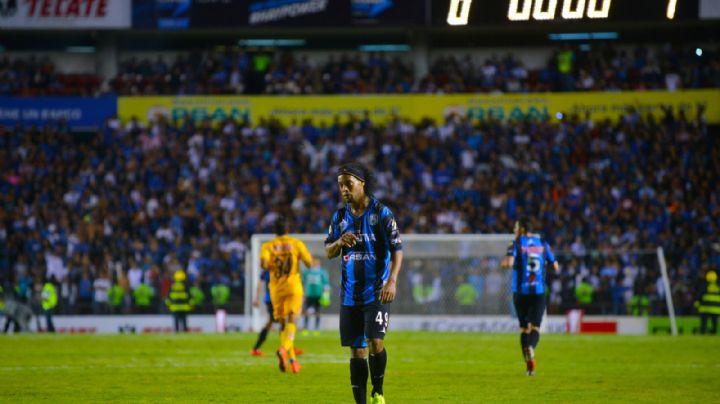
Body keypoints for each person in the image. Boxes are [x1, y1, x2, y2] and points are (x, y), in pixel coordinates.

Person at [325, 162, 403, 404]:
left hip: (377, 292)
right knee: (357, 349)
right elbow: (329, 251)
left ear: (362, 184)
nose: (344, 189)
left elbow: (397, 249)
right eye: (340, 186)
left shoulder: (381, 213)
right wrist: (339, 242)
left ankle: (378, 391)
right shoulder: (339, 217)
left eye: (348, 184)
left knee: (374, 341)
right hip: (349, 295)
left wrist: (392, 281)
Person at [501, 217, 559, 376]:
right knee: (535, 328)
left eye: (515, 227)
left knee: (524, 329)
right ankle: (531, 348)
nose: (514, 230)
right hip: (538, 292)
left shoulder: (515, 244)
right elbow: (555, 265)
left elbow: (509, 263)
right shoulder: (543, 244)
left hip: (520, 293)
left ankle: (529, 366)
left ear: (522, 230)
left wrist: (504, 263)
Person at [260, 215, 313, 374]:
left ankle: (292, 361)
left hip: (276, 289)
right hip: (293, 287)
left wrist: (272, 265)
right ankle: (284, 350)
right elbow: (309, 263)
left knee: (282, 326)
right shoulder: (296, 244)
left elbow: (263, 264)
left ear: (274, 231)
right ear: (287, 230)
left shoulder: (268, 246)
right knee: (293, 321)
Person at [301, 258, 330, 335]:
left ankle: (316, 329)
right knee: (306, 311)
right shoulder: (306, 272)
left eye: (315, 263)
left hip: (319, 295)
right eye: (313, 263)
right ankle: (305, 328)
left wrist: (326, 295)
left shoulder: (322, 272)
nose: (314, 264)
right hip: (309, 294)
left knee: (318, 312)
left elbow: (326, 283)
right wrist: (302, 293)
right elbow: (303, 283)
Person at [695, 270, 720, 335]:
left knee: (703, 323)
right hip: (716, 309)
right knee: (714, 324)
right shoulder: (718, 286)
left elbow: (699, 295)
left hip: (705, 308)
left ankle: (703, 333)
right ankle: (713, 333)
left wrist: (697, 303)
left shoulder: (704, 285)